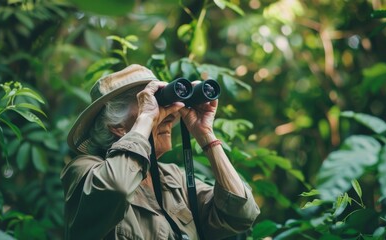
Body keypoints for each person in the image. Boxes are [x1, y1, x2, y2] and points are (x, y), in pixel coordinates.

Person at [61, 64, 260, 239]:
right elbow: (116, 187)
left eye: (160, 101)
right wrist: (146, 118)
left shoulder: (173, 178)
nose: (167, 116)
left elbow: (241, 214)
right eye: (148, 102)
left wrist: (205, 135)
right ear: (117, 127)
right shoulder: (84, 169)